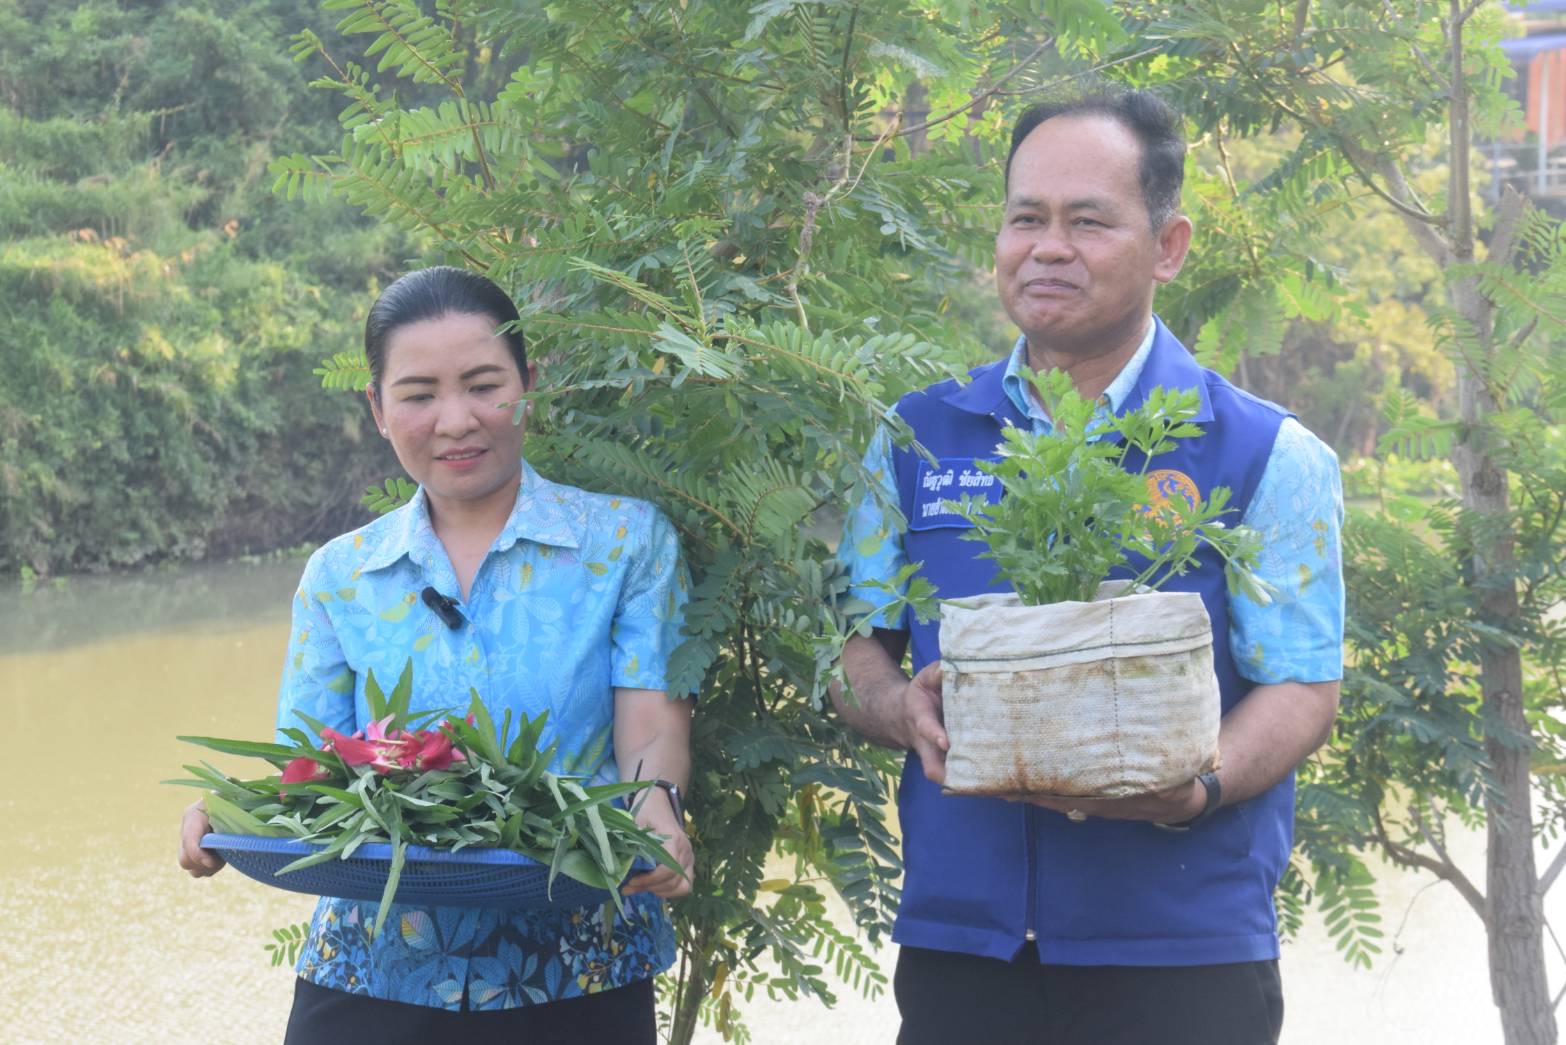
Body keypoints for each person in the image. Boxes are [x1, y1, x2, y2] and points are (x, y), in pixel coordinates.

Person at [833, 89, 1344, 1045]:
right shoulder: (914, 438)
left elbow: (1303, 688)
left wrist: (1193, 787)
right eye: (1026, 217)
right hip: (965, 952)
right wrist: (901, 708)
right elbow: (856, 653)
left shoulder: (1266, 453)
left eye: (1088, 221)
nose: (1047, 247)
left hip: (1182, 956)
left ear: (1169, 245)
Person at [178, 266, 694, 1043]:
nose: (456, 420)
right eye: (419, 394)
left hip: (578, 964)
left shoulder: (624, 544)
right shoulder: (341, 574)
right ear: (378, 409)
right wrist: (227, 815)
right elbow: (312, 766)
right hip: (370, 972)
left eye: (484, 384)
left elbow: (649, 729)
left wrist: (657, 813)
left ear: (530, 382)